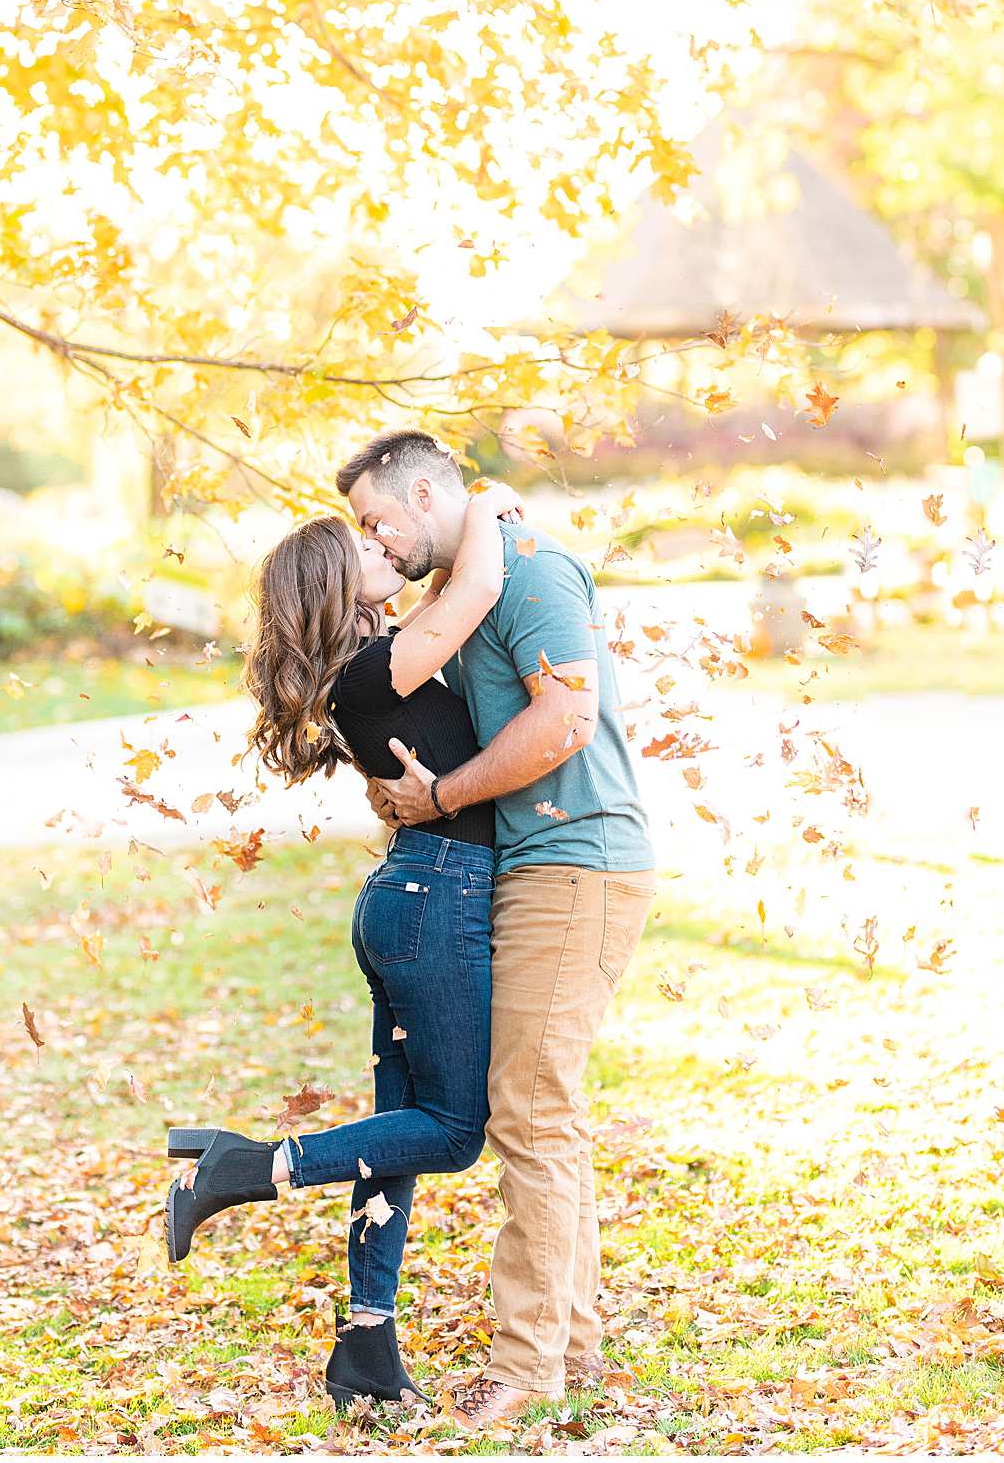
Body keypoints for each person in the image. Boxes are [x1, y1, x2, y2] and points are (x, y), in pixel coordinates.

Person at [162, 481, 523, 1408]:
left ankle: (366, 1346)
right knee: (451, 1130)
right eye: (363, 544)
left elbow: (454, 600)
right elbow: (475, 589)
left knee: (394, 1143)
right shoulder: (374, 672)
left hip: (412, 895)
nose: (382, 546)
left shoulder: (367, 665)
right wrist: (481, 499)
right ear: (339, 584)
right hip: (433, 898)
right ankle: (248, 1167)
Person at [336, 430, 657, 1433]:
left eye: (375, 516)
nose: (371, 537)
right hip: (528, 862)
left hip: (578, 857)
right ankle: (572, 1343)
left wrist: (444, 796)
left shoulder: (533, 572)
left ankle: (524, 1370)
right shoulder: (467, 580)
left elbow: (565, 718)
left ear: (427, 491)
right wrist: (488, 508)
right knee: (541, 1107)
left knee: (526, 1109)